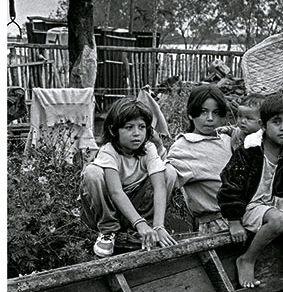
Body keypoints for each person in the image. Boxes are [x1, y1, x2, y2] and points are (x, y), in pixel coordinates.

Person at [218, 93, 283, 290]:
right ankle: (247, 259)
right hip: (252, 206)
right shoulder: (250, 150)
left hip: (278, 202)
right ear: (263, 125)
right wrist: (234, 220)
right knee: (280, 220)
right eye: (276, 122)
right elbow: (230, 184)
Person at [80, 97, 179, 257]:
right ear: (113, 130)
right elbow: (116, 192)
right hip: (113, 210)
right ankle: (108, 231)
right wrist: (138, 222)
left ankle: (149, 227)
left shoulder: (148, 148)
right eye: (129, 127)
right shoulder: (109, 151)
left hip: (138, 207)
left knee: (169, 171)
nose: (137, 134)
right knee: (92, 173)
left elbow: (159, 186)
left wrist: (159, 225)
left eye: (141, 127)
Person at [166, 85, 233, 233]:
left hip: (243, 216)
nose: (210, 119)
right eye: (203, 112)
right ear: (191, 114)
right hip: (216, 223)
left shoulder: (227, 140)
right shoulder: (183, 147)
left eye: (215, 113)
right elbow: (166, 180)